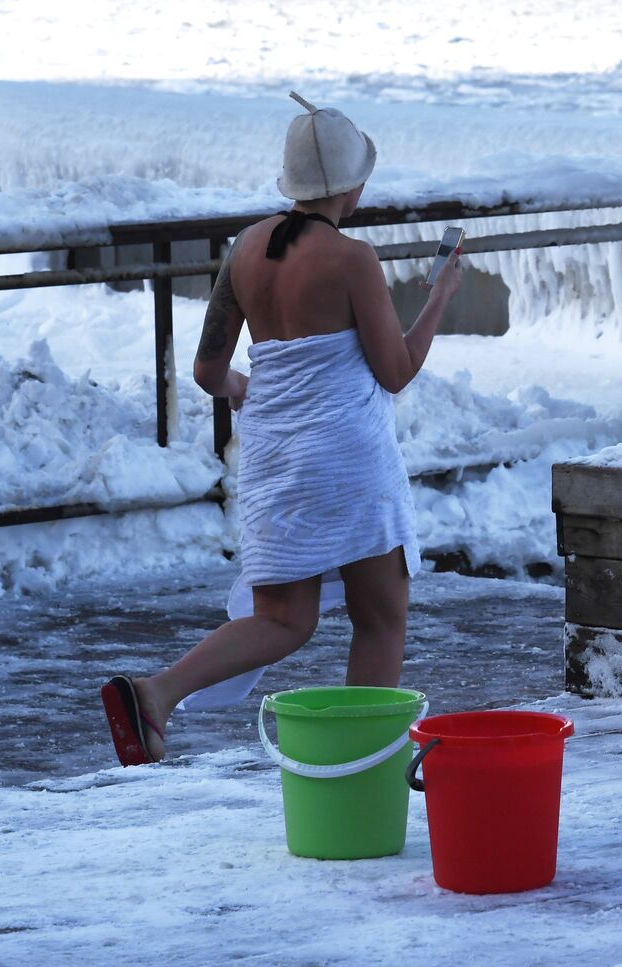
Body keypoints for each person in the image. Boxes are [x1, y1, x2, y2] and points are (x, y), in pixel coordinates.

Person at [101, 93, 464, 766]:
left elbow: (210, 369)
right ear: (351, 186)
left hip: (274, 457)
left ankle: (157, 693)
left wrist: (246, 387)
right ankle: (361, 770)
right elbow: (395, 370)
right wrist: (439, 295)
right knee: (380, 616)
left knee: (282, 618)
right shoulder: (353, 259)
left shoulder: (245, 249)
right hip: (347, 459)